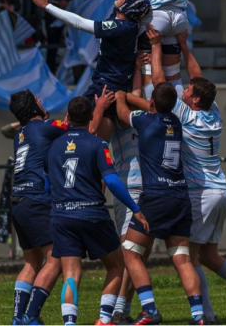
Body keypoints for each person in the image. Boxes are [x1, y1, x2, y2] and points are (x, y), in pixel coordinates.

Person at [120, 30, 226, 323]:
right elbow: (200, 78)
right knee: (209, 256)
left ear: (195, 100)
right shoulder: (212, 112)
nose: (184, 91)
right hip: (221, 190)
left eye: (188, 90)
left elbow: (159, 85)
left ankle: (208, 316)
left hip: (201, 192)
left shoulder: (185, 116)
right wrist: (185, 45)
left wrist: (154, 46)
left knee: (188, 257)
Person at [114, 61, 206, 326]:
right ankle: (198, 316)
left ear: (152, 104)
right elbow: (159, 106)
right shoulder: (176, 122)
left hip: (156, 196)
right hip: (180, 196)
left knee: (130, 252)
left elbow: (122, 113)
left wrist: (121, 96)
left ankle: (149, 309)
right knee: (181, 258)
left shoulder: (145, 122)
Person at [46, 96, 147, 326]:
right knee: (116, 265)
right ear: (92, 116)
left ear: (68, 118)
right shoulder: (97, 143)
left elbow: (47, 181)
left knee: (71, 274)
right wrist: (135, 208)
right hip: (92, 214)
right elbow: (111, 181)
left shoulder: (53, 146)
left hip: (62, 215)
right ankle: (103, 320)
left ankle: (69, 323)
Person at [27, 0, 149, 141]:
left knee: (74, 121)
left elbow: (79, 23)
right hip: (114, 84)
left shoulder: (122, 27)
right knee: (97, 126)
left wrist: (47, 6)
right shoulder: (124, 18)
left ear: (128, 7)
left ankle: (47, 140)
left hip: (106, 86)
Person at [7, 90, 68, 326]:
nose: (42, 101)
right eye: (38, 100)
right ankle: (30, 317)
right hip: (35, 200)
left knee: (32, 262)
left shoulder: (19, 135)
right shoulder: (45, 126)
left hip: (18, 202)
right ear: (34, 108)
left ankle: (17, 318)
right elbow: (76, 126)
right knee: (56, 260)